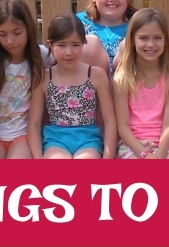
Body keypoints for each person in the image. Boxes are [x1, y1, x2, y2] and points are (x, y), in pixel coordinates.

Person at [30, 13, 117, 159]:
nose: (69, 52)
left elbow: (109, 121)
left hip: (88, 140)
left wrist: (107, 158)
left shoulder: (95, 75)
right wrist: (38, 159)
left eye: (75, 45)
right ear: (50, 45)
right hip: (55, 140)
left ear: (83, 43)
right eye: (61, 45)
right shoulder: (44, 78)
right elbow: (34, 123)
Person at [0, 0, 50, 159]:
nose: (10, 41)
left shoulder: (42, 56)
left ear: (29, 28)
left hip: (22, 135)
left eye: (17, 33)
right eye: (2, 34)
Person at [113, 9, 169, 159]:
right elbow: (123, 127)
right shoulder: (123, 79)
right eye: (143, 38)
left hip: (164, 144)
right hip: (132, 145)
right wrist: (144, 154)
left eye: (157, 38)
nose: (150, 44)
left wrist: (160, 154)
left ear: (165, 41)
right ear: (132, 40)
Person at [77, 0, 138, 71]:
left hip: (129, 84)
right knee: (91, 44)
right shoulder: (76, 24)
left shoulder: (139, 25)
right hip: (88, 84)